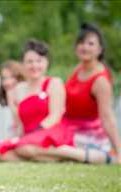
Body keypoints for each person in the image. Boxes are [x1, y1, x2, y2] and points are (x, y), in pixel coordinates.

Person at [13, 23, 121, 164]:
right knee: (24, 149)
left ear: (100, 49)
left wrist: (118, 151)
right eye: (81, 43)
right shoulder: (79, 69)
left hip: (85, 134)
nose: (85, 47)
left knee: (27, 148)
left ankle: (94, 156)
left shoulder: (101, 80)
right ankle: (65, 157)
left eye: (91, 43)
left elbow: (107, 118)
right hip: (66, 128)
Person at [0, 40, 65, 161]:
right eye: (30, 62)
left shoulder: (54, 83)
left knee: (24, 147)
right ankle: (45, 158)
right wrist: (11, 102)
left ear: (46, 62)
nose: (34, 66)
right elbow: (20, 123)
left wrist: (35, 132)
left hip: (50, 133)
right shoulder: (18, 89)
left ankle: (70, 155)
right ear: (23, 64)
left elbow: (55, 116)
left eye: (39, 61)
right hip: (27, 137)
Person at [0, 60, 25, 137]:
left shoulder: (26, 96)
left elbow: (21, 123)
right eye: (4, 78)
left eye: (12, 77)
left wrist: (12, 103)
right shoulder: (10, 95)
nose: (7, 82)